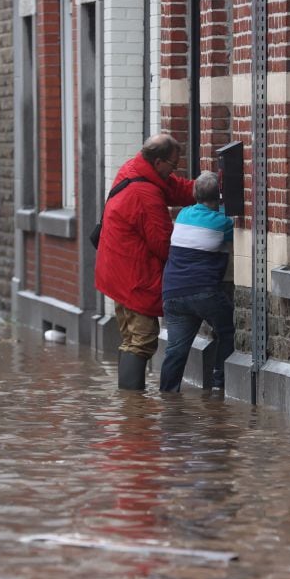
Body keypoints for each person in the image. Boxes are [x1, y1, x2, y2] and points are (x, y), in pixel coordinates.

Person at [95, 134, 195, 390]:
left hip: (117, 270)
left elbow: (174, 188)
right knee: (143, 338)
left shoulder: (135, 169)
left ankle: (130, 409)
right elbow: (163, 243)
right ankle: (133, 409)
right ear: (159, 162)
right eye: (173, 165)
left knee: (131, 337)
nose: (175, 169)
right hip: (133, 275)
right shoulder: (145, 193)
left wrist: (207, 187)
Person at [159, 171, 235, 392]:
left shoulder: (183, 215)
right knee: (228, 330)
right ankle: (220, 383)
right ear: (218, 196)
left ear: (194, 194)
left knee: (175, 351)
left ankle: (168, 397)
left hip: (172, 293)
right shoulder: (223, 222)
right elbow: (233, 234)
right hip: (204, 293)